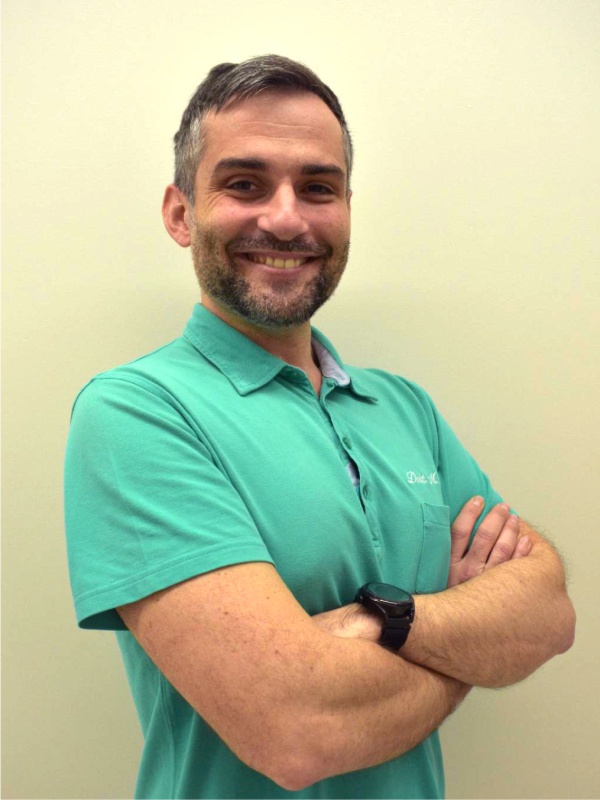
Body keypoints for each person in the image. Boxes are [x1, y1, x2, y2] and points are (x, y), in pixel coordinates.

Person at [64, 54, 575, 800]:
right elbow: (299, 733)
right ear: (180, 213)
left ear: (346, 209)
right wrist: (468, 645)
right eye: (245, 184)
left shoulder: (405, 408)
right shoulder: (137, 412)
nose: (286, 218)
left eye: (318, 187)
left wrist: (378, 625)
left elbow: (548, 615)